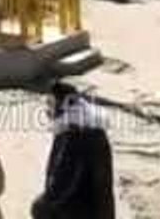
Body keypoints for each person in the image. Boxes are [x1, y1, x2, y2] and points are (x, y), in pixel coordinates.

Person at [32, 82, 115, 219]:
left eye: (50, 104)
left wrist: (43, 204)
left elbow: (64, 179)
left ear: (62, 105)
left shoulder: (74, 135)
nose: (47, 110)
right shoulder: (91, 128)